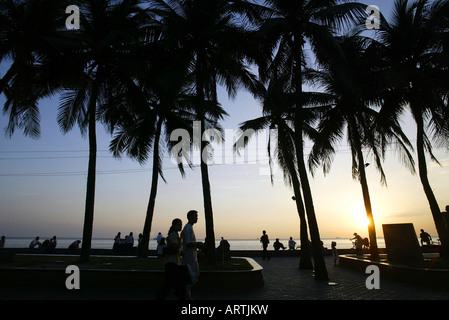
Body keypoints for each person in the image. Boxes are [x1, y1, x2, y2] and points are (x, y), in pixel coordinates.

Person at [156, 218, 187, 300]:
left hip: (175, 262)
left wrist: (181, 253)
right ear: (174, 226)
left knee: (176, 284)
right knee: (169, 284)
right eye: (179, 225)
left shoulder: (175, 234)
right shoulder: (173, 235)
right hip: (172, 263)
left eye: (181, 225)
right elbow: (176, 247)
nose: (180, 226)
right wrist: (182, 237)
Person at [181, 210, 203, 299]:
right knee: (190, 277)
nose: (197, 218)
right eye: (195, 216)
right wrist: (198, 244)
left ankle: (188, 296)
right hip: (189, 258)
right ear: (190, 217)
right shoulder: (188, 228)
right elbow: (188, 244)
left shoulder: (189, 227)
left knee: (194, 275)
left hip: (192, 257)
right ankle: (188, 296)